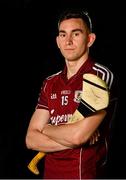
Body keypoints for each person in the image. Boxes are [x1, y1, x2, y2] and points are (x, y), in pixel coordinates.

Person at [25, 8, 118, 179]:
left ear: (90, 39)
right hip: (51, 174)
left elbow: (77, 137)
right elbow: (31, 139)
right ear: (57, 41)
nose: (68, 41)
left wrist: (46, 129)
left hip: (84, 174)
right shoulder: (49, 82)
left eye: (76, 34)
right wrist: (65, 133)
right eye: (63, 35)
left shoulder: (100, 75)